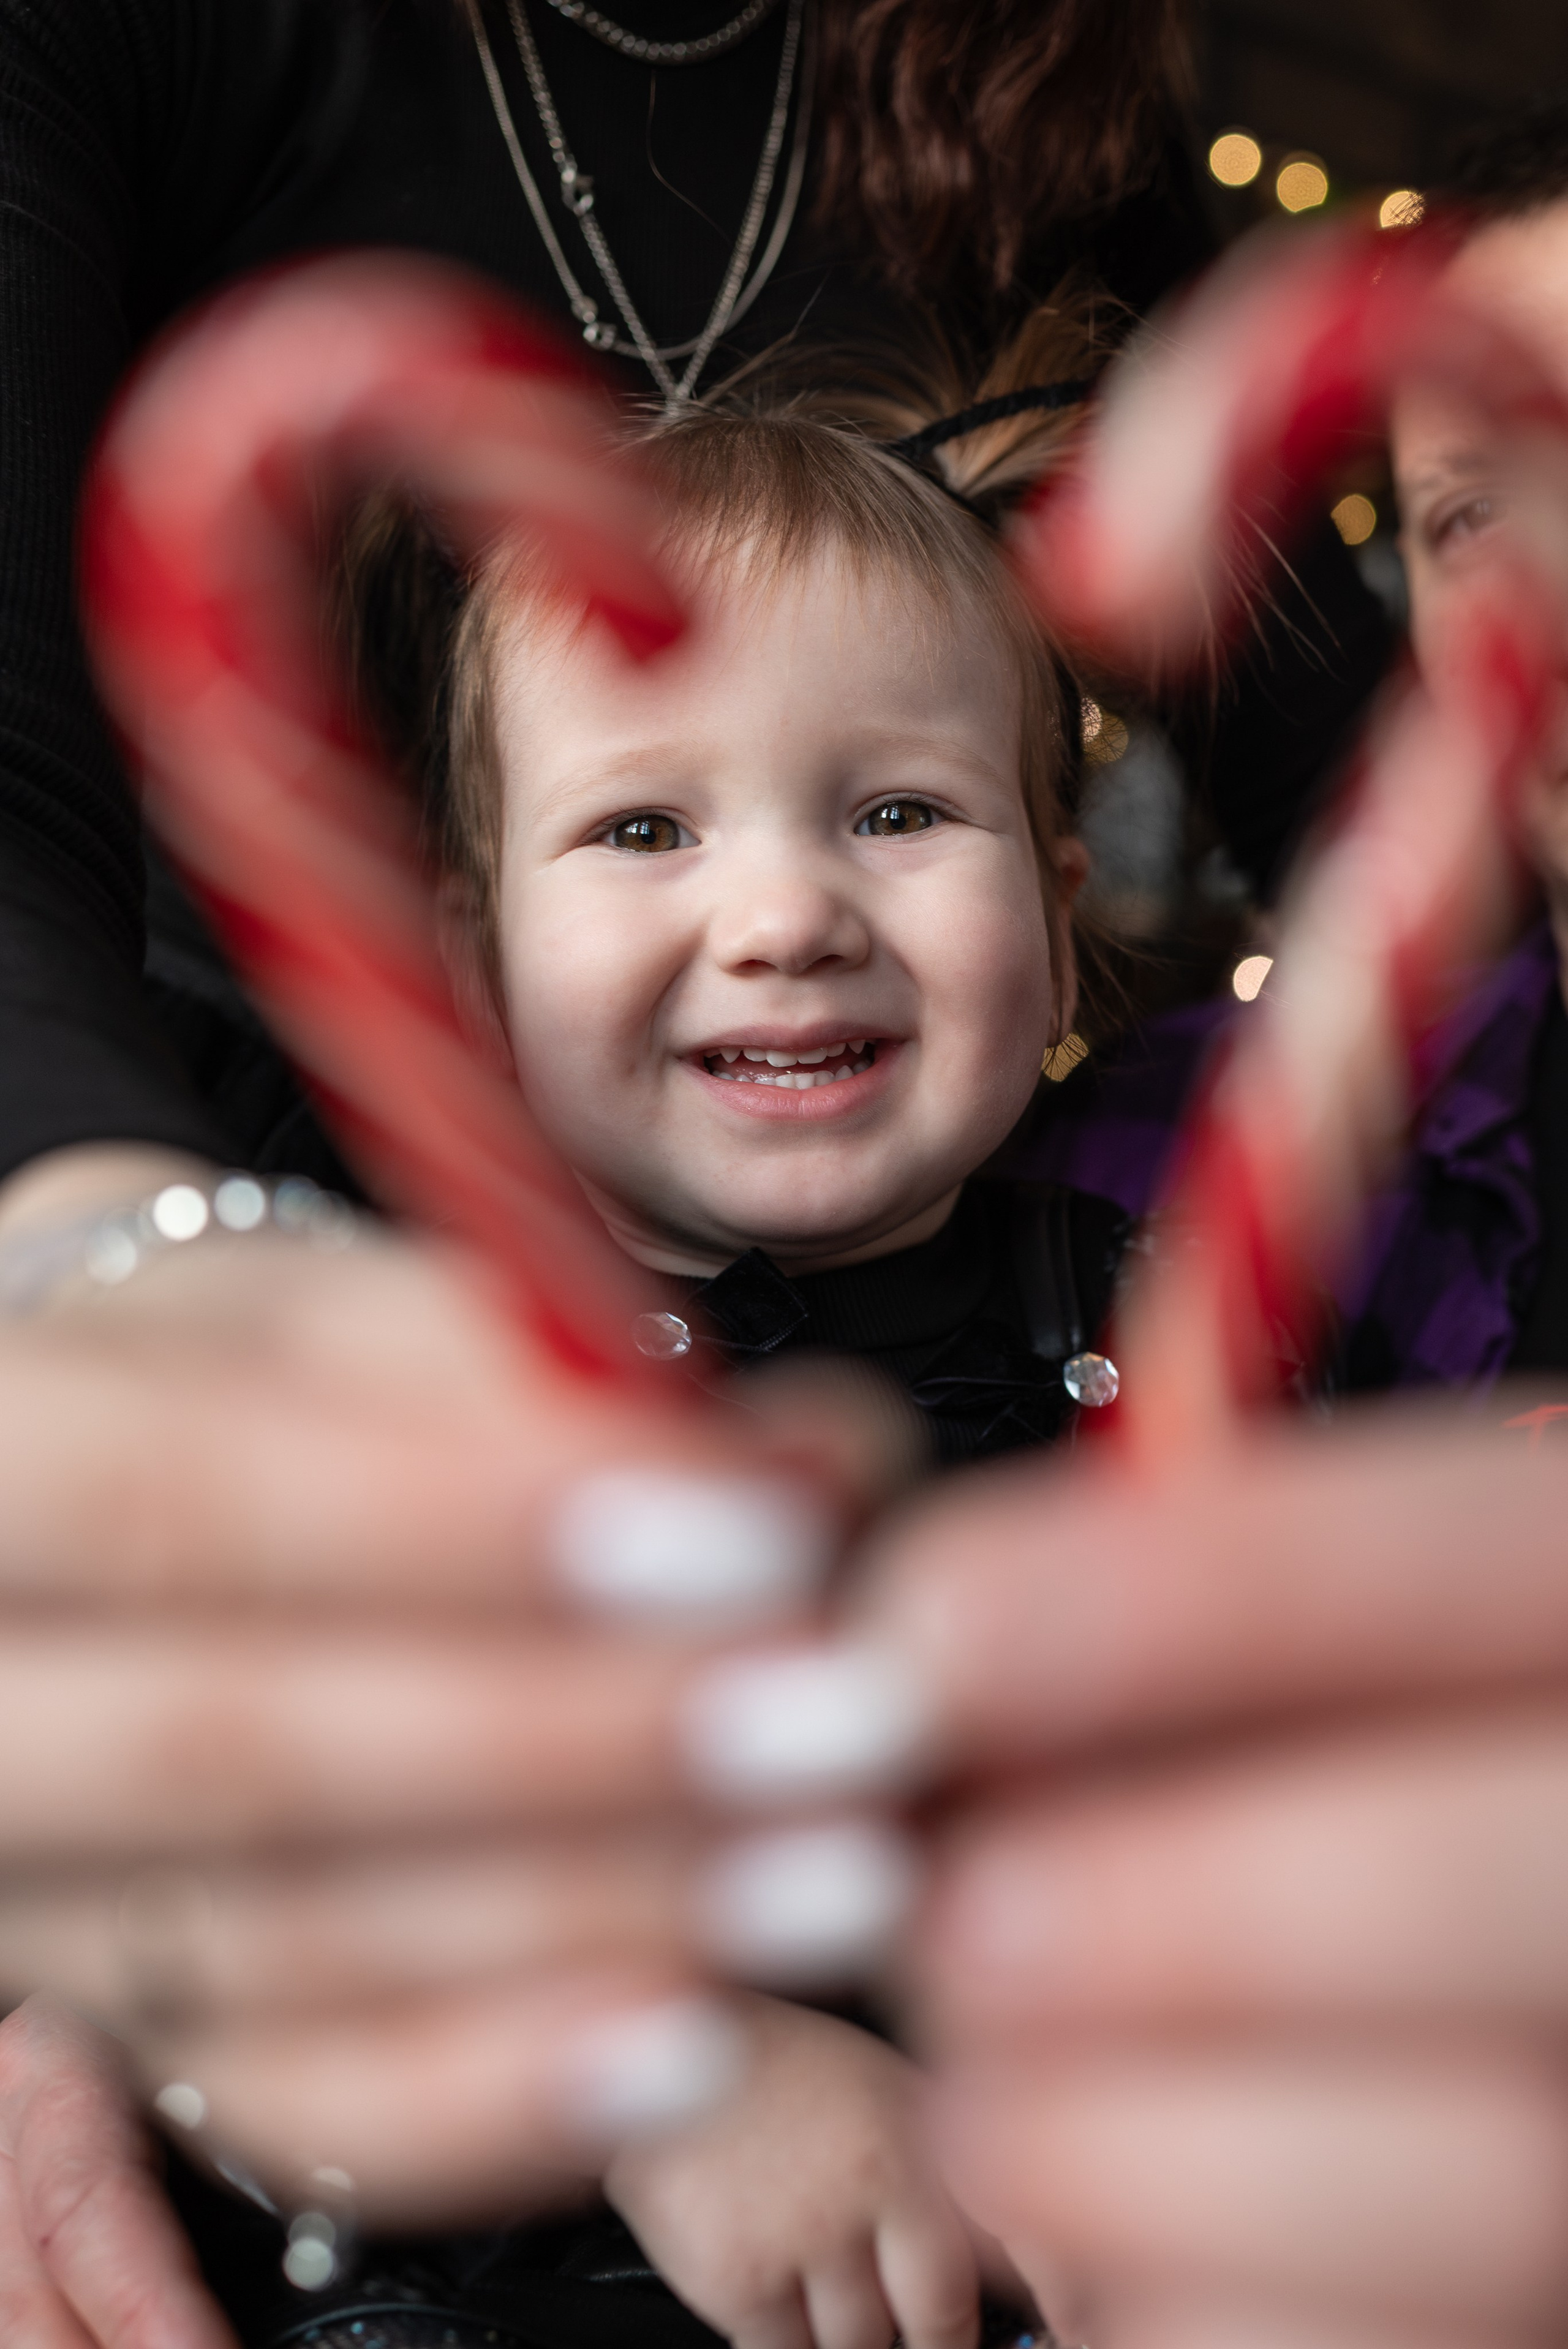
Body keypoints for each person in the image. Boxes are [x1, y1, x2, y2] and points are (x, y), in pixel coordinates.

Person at [0, 328, 1129, 2349]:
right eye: (642, 831)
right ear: (462, 955)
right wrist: (664, 2072)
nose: (786, 912)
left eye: (896, 811)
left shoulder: (1174, 1334)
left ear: (1057, 910)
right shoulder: (396, 1372)